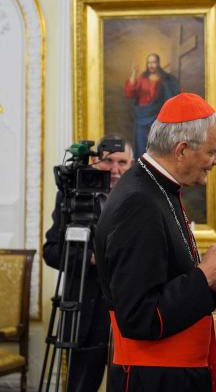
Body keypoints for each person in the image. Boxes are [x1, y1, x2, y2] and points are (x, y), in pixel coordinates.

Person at [95, 92, 216, 391]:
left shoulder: (157, 189)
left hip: (172, 374)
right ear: (181, 150)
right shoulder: (139, 202)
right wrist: (204, 276)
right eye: (212, 151)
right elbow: (139, 316)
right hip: (154, 379)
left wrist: (209, 278)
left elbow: (164, 279)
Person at [43, 136, 134, 392]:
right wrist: (89, 257)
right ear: (95, 161)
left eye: (122, 163)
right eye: (109, 162)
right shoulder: (72, 195)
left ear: (132, 164)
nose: (115, 170)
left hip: (127, 314)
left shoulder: (140, 198)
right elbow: (50, 251)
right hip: (84, 312)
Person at [124, 53, 180, 158]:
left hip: (158, 118)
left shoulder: (165, 79)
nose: (151, 65)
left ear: (158, 63)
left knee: (158, 147)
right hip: (142, 118)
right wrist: (134, 72)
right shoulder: (142, 79)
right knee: (142, 147)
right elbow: (129, 93)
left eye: (153, 62)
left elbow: (176, 94)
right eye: (149, 62)